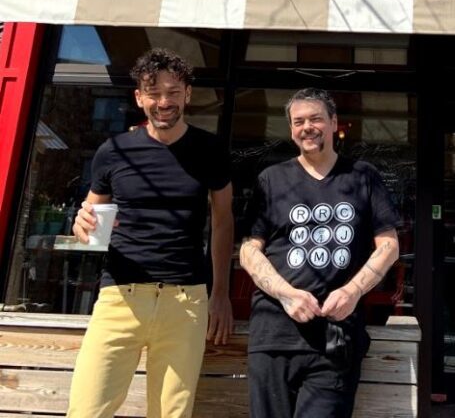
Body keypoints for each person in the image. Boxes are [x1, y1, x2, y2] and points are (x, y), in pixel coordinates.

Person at [67, 48, 234, 418]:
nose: (164, 101)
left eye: (173, 92)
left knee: (171, 414)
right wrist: (81, 225)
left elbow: (223, 221)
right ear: (139, 97)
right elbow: (89, 218)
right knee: (87, 409)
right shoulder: (113, 151)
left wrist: (220, 293)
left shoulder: (210, 150)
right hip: (119, 297)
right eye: (153, 92)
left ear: (188, 95)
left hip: (185, 301)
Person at [239, 87, 400, 418]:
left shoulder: (362, 176)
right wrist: (286, 295)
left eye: (315, 119)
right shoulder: (271, 178)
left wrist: (353, 291)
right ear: (291, 129)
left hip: (335, 337)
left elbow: (389, 245)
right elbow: (248, 250)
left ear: (333, 122)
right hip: (273, 335)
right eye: (298, 121)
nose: (307, 127)